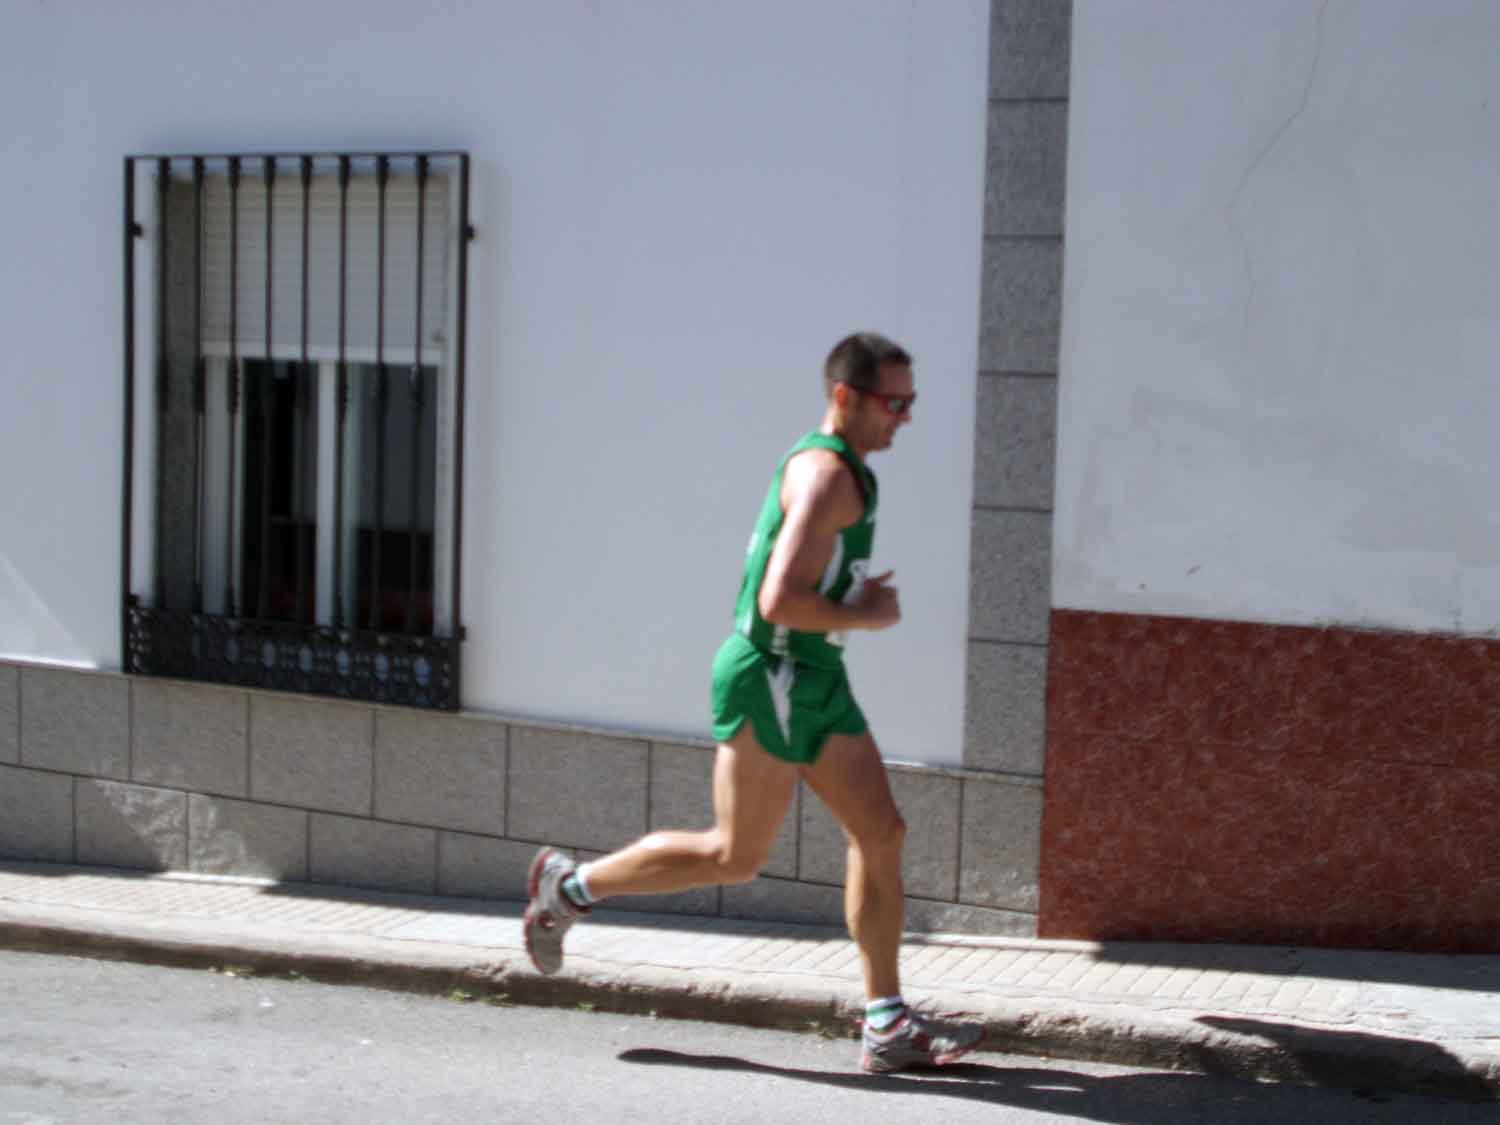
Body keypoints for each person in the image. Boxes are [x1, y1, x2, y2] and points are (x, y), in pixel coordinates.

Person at [523, 332, 984, 1074]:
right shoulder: (828, 476)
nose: (904, 416)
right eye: (893, 402)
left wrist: (849, 601)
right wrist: (865, 614)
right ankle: (569, 887)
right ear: (845, 397)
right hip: (772, 673)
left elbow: (805, 585)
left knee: (883, 832)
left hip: (812, 675)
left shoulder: (843, 470)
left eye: (912, 402)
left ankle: (886, 1022)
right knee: (734, 855)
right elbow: (776, 598)